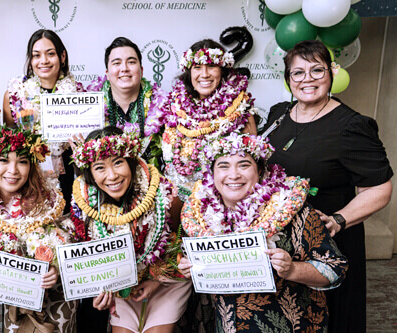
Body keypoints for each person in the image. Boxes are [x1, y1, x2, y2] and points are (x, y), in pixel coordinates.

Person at [261, 39, 393, 333]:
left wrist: (339, 220)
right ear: (288, 79)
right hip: (283, 241)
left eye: (317, 70)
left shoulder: (351, 126)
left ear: (331, 75)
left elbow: (380, 189)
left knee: (330, 318)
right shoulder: (278, 114)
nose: (307, 79)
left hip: (327, 241)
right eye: (298, 73)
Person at [178, 132, 349, 332]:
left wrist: (292, 269)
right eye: (223, 166)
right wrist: (188, 269)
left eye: (243, 165)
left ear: (260, 170)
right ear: (212, 174)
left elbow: (336, 270)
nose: (233, 175)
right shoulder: (200, 217)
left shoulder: (292, 210)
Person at [71, 126, 188, 333]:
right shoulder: (83, 205)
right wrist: (101, 293)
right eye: (100, 167)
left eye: (118, 162)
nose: (112, 175)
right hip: (123, 286)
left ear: (131, 162)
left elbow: (182, 241)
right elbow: (89, 263)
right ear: (89, 174)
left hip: (166, 278)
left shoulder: (164, 194)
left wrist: (156, 281)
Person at [0, 125, 77, 333]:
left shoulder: (48, 201)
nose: (13, 170)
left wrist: (55, 269)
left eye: (23, 162)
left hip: (52, 301)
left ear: (32, 166)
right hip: (12, 302)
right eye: (4, 159)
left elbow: (65, 245)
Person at [162, 39, 256, 202]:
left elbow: (250, 165)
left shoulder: (240, 111)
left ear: (222, 70)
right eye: (197, 67)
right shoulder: (175, 107)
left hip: (218, 205)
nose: (204, 74)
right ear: (189, 71)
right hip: (174, 199)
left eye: (211, 66)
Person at [3, 29, 84, 209]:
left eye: (50, 54)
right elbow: (9, 145)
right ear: (31, 60)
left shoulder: (78, 93)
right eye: (36, 55)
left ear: (62, 56)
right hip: (31, 175)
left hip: (69, 172)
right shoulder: (15, 95)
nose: (44, 61)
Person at [85, 37, 168, 168]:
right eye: (117, 63)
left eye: (131, 62)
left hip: (153, 183)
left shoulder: (162, 107)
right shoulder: (90, 106)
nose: (124, 68)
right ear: (107, 73)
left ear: (141, 70)